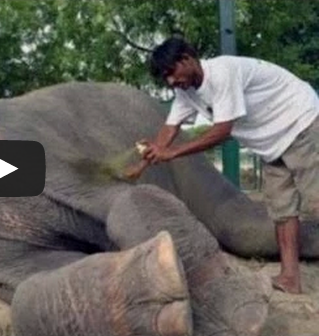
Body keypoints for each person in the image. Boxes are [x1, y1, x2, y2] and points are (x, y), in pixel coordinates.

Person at [127, 37, 319, 294]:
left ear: (187, 58)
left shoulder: (223, 73)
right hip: (272, 144)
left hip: (301, 122)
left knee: (316, 201)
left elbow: (222, 131)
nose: (172, 82)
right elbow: (170, 128)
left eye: (171, 73)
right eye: (166, 78)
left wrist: (172, 153)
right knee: (281, 211)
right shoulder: (186, 93)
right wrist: (144, 163)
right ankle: (290, 278)